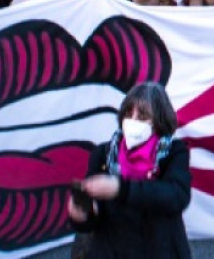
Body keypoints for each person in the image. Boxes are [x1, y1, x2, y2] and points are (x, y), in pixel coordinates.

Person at [68, 82, 192, 258]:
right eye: (128, 113)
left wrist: (121, 189)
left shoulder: (173, 152)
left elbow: (177, 195)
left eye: (142, 116)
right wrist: (82, 214)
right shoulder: (103, 154)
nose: (132, 120)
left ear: (159, 121)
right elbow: (92, 221)